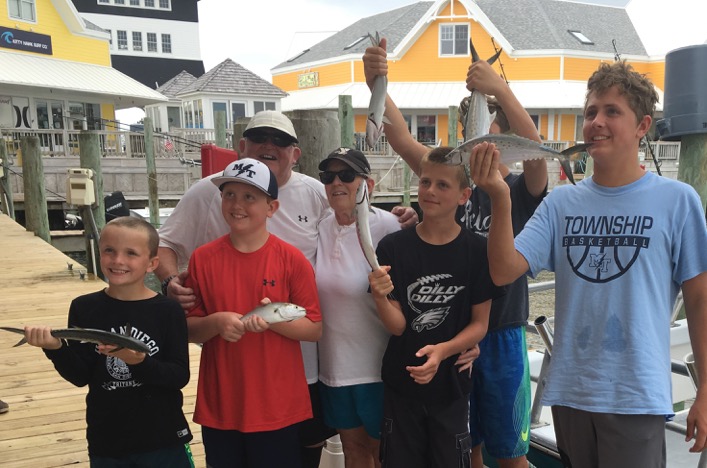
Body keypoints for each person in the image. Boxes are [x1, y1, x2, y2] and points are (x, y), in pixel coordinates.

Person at [470, 60, 707, 467]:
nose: (597, 122)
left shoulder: (678, 200)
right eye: (591, 113)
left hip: (637, 397)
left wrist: (705, 391)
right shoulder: (561, 202)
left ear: (643, 126)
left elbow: (700, 299)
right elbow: (503, 270)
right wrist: (499, 195)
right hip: (569, 394)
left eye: (612, 112)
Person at [155, 110, 416, 467]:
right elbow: (166, 245)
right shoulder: (205, 206)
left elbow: (354, 213)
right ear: (241, 146)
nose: (269, 145)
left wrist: (405, 218)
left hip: (309, 367)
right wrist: (171, 282)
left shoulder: (314, 200)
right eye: (260, 138)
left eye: (279, 140)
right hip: (236, 377)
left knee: (315, 447)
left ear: (294, 153)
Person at [363, 38, 546, 468]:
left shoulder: (519, 192)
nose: (483, 146)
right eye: (476, 136)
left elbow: (539, 155)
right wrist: (376, 77)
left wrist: (499, 89)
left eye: (494, 139)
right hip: (454, 337)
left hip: (499, 334)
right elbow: (400, 134)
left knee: (511, 452)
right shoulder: (445, 180)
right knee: (471, 449)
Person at [368, 147, 505, 468]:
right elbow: (398, 326)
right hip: (402, 385)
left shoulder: (478, 251)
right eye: (425, 181)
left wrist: (443, 351)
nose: (430, 191)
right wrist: (378, 296)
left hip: (452, 387)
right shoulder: (393, 247)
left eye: (442, 185)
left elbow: (479, 325)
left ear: (463, 195)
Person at [184, 158, 322, 468]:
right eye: (229, 194)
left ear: (272, 207)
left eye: (250, 197)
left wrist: (271, 322)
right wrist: (217, 323)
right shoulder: (202, 259)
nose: (237, 204)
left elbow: (314, 328)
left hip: (276, 406)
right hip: (221, 404)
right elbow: (190, 328)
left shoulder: (292, 259)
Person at [23, 217, 194, 466]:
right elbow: (80, 375)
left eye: (131, 253)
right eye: (109, 251)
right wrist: (55, 348)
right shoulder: (84, 307)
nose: (118, 260)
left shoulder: (168, 311)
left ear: (152, 263)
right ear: (98, 253)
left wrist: (138, 362)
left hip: (163, 437)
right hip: (107, 440)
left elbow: (179, 376)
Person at [315, 147, 401, 467]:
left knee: (384, 454)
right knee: (353, 451)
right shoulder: (320, 227)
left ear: (369, 184)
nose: (337, 182)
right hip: (334, 369)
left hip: (378, 370)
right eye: (328, 176)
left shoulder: (390, 228)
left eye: (347, 175)